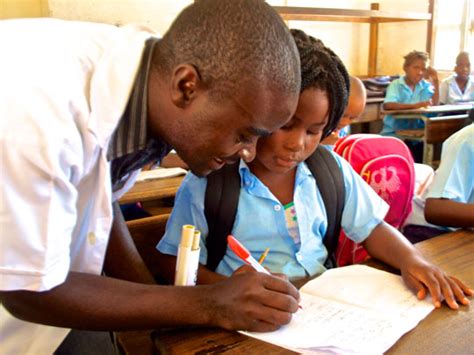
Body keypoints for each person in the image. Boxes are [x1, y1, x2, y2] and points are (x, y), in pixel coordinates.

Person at [0, 1, 302, 353]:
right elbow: (28, 291)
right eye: (243, 134)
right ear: (186, 86)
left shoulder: (146, 81)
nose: (248, 152)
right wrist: (210, 304)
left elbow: (100, 197)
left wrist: (164, 313)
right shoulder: (36, 118)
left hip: (55, 296)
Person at [156, 30, 472, 311]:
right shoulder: (211, 181)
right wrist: (221, 289)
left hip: (321, 310)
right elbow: (172, 262)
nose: (297, 144)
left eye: (313, 130)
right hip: (242, 316)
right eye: (285, 125)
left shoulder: (329, 169)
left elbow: (373, 229)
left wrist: (412, 261)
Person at [381, 50, 440, 136]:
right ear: (406, 68)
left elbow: (434, 106)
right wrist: (415, 106)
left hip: (417, 135)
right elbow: (388, 105)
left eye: (423, 69)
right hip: (394, 134)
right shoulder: (396, 85)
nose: (420, 72)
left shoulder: (425, 86)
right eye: (416, 68)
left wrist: (436, 80)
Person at [321, 75, 367, 145]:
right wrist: (320, 143)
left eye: (352, 118)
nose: (344, 122)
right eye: (342, 115)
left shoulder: (343, 129)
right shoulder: (315, 127)